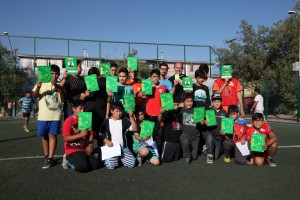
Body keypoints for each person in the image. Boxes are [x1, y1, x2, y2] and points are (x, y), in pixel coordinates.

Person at [32, 64, 64, 169]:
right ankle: (46, 155)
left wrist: (57, 86)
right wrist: (38, 87)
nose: (54, 76)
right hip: (43, 116)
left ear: (59, 75)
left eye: (56, 74)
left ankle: (50, 158)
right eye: (52, 73)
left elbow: (62, 97)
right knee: (44, 136)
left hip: (55, 115)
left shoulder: (59, 85)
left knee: (52, 136)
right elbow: (35, 96)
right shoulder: (41, 83)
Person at [62, 100, 101, 172]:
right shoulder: (68, 120)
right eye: (80, 109)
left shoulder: (86, 119)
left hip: (83, 149)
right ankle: (67, 159)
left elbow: (91, 135)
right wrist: (80, 135)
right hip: (72, 150)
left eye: (84, 109)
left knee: (96, 165)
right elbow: (65, 138)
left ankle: (84, 159)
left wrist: (90, 145)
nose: (82, 111)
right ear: (74, 109)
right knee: (82, 168)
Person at [100, 102, 137, 169]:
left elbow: (134, 128)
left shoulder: (124, 119)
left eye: (120, 111)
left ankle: (120, 158)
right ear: (111, 111)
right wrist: (106, 140)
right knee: (110, 166)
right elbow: (101, 133)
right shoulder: (107, 121)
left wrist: (131, 117)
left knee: (132, 164)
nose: (119, 113)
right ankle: (115, 159)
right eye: (116, 111)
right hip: (112, 148)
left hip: (123, 148)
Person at [84, 67, 112, 148]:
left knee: (101, 135)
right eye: (90, 76)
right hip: (88, 113)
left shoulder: (104, 85)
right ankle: (88, 153)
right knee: (88, 136)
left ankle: (101, 154)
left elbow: (108, 100)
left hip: (100, 114)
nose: (92, 78)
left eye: (94, 76)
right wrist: (85, 95)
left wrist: (107, 114)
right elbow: (80, 99)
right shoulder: (85, 84)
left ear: (98, 76)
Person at [142, 69, 166, 157]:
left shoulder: (163, 88)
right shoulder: (147, 87)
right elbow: (141, 96)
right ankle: (146, 154)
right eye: (154, 76)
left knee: (158, 136)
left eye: (157, 76)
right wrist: (141, 94)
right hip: (148, 115)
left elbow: (165, 102)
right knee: (147, 136)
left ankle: (158, 154)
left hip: (158, 116)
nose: (156, 78)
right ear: (151, 77)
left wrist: (164, 109)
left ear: (160, 77)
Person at [202, 93, 228, 163]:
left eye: (218, 101)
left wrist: (226, 131)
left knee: (216, 156)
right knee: (209, 137)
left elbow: (228, 125)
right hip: (209, 133)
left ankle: (206, 149)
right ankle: (209, 153)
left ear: (221, 102)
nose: (217, 103)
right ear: (212, 102)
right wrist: (204, 122)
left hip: (219, 136)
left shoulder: (225, 113)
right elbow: (201, 122)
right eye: (215, 102)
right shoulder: (208, 111)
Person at [159, 97, 183, 163]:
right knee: (166, 160)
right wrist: (161, 113)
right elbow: (160, 119)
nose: (176, 106)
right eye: (174, 105)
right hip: (170, 140)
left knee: (176, 159)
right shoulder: (167, 112)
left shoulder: (181, 111)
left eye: (177, 105)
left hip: (178, 141)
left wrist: (181, 104)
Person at [180, 92, 200, 165]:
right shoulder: (181, 110)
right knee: (184, 140)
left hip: (195, 136)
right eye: (187, 101)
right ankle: (186, 155)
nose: (189, 103)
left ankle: (193, 149)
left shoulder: (196, 110)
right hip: (186, 134)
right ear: (183, 102)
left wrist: (202, 122)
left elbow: (202, 122)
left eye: (191, 101)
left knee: (194, 157)